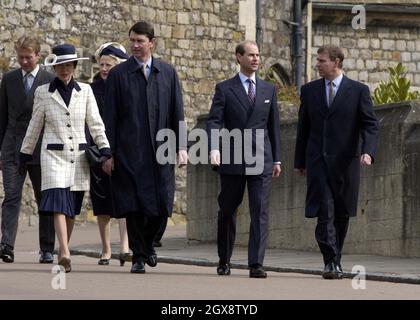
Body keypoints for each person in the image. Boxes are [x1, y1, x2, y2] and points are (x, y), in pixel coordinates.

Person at [102, 21, 188, 274]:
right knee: (134, 205)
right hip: (130, 151)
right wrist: (108, 153)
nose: (135, 46)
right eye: (132, 41)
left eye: (140, 41)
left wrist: (182, 146)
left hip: (162, 150)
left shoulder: (168, 73)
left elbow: (177, 112)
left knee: (163, 204)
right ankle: (139, 255)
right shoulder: (119, 75)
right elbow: (111, 117)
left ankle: (149, 243)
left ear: (152, 42)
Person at [19, 44, 111, 273]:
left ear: (74, 66)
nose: (64, 70)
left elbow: (95, 123)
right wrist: (25, 151)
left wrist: (105, 148)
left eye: (68, 65)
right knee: (58, 203)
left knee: (71, 209)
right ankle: (66, 252)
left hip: (78, 157)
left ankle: (63, 248)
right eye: (60, 65)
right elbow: (35, 124)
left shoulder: (86, 91)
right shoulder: (43, 92)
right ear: (54, 67)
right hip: (52, 156)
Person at [294, 44, 379, 279]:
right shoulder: (309, 91)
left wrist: (368, 152)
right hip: (318, 162)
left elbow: (370, 125)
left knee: (341, 214)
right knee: (324, 211)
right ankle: (330, 261)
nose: (317, 64)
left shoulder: (358, 90)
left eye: (321, 60)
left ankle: (336, 258)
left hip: (346, 164)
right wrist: (299, 160)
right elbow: (304, 128)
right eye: (317, 60)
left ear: (336, 62)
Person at [206, 40, 281, 278]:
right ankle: (224, 259)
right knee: (227, 210)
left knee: (260, 212)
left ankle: (256, 264)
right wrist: (213, 148)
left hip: (261, 159)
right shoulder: (225, 89)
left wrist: (277, 159)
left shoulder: (269, 89)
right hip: (233, 157)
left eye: (258, 55)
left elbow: (274, 127)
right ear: (239, 57)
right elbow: (214, 121)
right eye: (251, 55)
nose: (256, 59)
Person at [0, 36, 56, 264]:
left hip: (40, 148)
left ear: (38, 56)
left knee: (44, 198)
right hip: (12, 147)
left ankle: (46, 248)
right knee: (11, 197)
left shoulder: (49, 80)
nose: (23, 61)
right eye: (20, 57)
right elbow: (1, 116)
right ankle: (6, 245)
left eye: (28, 57)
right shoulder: (9, 79)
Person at [90, 42, 131, 266]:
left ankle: (125, 246)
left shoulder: (125, 87)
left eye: (109, 65)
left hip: (121, 150)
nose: (104, 68)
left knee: (124, 199)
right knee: (102, 202)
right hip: (98, 152)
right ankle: (106, 249)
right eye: (102, 64)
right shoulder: (91, 89)